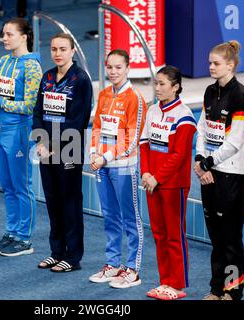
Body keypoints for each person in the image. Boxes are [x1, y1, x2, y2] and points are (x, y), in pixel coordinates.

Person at [193, 40, 244, 300]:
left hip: (232, 175)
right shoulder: (209, 91)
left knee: (230, 238)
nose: (211, 67)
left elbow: (235, 141)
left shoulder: (241, 96)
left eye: (216, 63)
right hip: (210, 172)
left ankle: (233, 289)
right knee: (216, 238)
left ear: (230, 65)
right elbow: (202, 128)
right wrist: (199, 158)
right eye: (209, 63)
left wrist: (208, 162)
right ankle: (216, 288)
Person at [0, 17, 42, 256]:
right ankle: (11, 232)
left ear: (24, 36)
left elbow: (29, 106)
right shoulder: (3, 61)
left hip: (18, 132)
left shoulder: (31, 66)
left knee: (21, 186)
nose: (5, 39)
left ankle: (24, 239)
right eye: (4, 34)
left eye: (10, 35)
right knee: (7, 186)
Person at [33, 33, 92, 272]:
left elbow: (78, 120)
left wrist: (52, 145)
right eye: (54, 48)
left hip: (67, 149)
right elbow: (38, 110)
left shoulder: (81, 80)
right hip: (45, 149)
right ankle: (56, 251)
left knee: (70, 202)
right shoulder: (47, 77)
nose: (58, 53)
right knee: (52, 201)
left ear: (72, 51)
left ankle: (73, 256)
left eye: (63, 49)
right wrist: (40, 140)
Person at [89, 49, 146, 289]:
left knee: (131, 218)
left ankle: (132, 269)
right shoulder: (103, 94)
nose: (113, 72)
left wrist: (106, 156)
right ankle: (113, 263)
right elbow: (96, 127)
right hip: (102, 165)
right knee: (110, 216)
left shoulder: (135, 98)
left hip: (123, 167)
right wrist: (93, 152)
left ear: (128, 68)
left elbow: (132, 139)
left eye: (118, 67)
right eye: (109, 67)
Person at [139, 66, 197, 300]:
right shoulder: (153, 110)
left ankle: (177, 284)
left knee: (175, 234)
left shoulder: (185, 116)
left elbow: (179, 155)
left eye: (163, 84)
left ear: (175, 87)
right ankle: (165, 281)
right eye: (156, 83)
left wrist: (157, 177)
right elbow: (144, 144)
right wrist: (145, 172)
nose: (158, 88)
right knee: (159, 234)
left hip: (173, 184)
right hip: (152, 182)